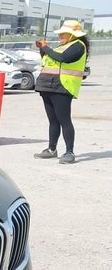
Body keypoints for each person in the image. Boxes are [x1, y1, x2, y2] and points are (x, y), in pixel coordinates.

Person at [33, 19, 90, 164]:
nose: (61, 36)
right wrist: (42, 49)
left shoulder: (78, 46)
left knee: (64, 120)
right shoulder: (62, 46)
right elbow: (49, 60)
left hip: (63, 87)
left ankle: (69, 152)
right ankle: (52, 149)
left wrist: (46, 47)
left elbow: (63, 59)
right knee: (53, 121)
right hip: (47, 86)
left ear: (73, 35)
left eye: (64, 33)